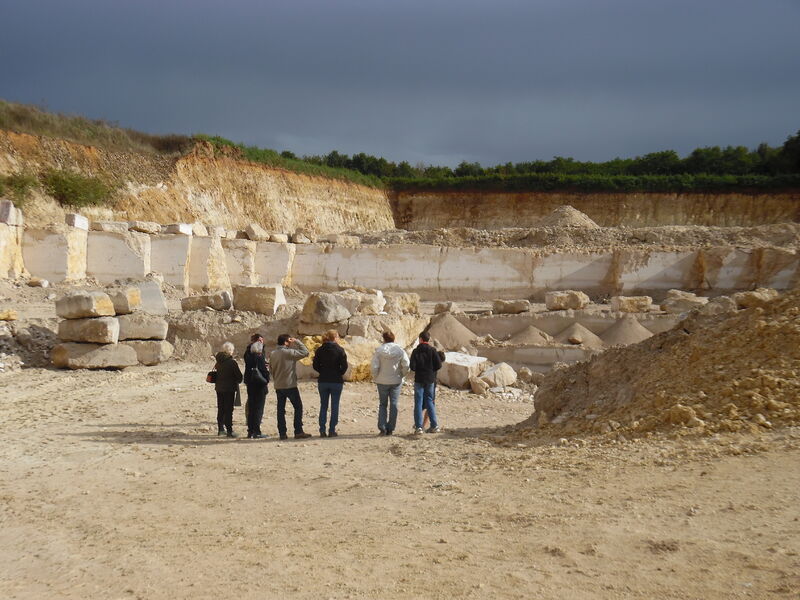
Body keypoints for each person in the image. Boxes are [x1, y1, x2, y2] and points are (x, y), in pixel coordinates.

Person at [269, 334, 312, 440]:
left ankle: (282, 433)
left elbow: (271, 369)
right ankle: (298, 431)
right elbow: (305, 352)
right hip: (290, 385)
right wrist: (297, 341)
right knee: (298, 407)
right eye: (289, 341)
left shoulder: (273, 353)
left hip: (278, 385)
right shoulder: (288, 352)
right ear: (286, 342)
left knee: (280, 410)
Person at [370, 330, 410, 436]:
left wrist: (375, 376)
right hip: (396, 380)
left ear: (384, 339)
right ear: (394, 338)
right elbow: (406, 365)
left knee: (383, 404)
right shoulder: (400, 350)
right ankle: (391, 428)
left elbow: (374, 366)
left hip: (382, 381)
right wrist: (402, 374)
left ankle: (382, 427)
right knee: (394, 404)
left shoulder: (379, 350)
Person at [312, 329, 348, 437]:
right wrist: (339, 373)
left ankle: (322, 430)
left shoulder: (320, 349)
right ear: (335, 337)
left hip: (323, 380)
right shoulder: (340, 350)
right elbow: (344, 366)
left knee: (323, 405)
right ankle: (332, 430)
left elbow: (315, 365)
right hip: (336, 381)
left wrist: (322, 371)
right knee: (335, 405)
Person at [409, 331, 442, 434]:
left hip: (419, 379)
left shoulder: (415, 351)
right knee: (430, 402)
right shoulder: (433, 351)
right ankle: (434, 425)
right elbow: (439, 365)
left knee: (418, 403)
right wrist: (431, 370)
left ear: (420, 339)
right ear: (428, 339)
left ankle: (419, 427)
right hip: (430, 380)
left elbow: (412, 367)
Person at [213, 341, 243, 438]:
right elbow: (239, 377)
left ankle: (221, 429)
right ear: (230, 351)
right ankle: (229, 430)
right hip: (229, 389)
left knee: (221, 408)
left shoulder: (218, 361)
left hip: (219, 388)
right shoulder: (232, 362)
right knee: (228, 410)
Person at [244, 340, 270, 439]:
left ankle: (250, 431)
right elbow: (264, 373)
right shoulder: (260, 358)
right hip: (259, 387)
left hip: (250, 386)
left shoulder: (248, 358)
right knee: (258, 409)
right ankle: (257, 431)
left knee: (251, 409)